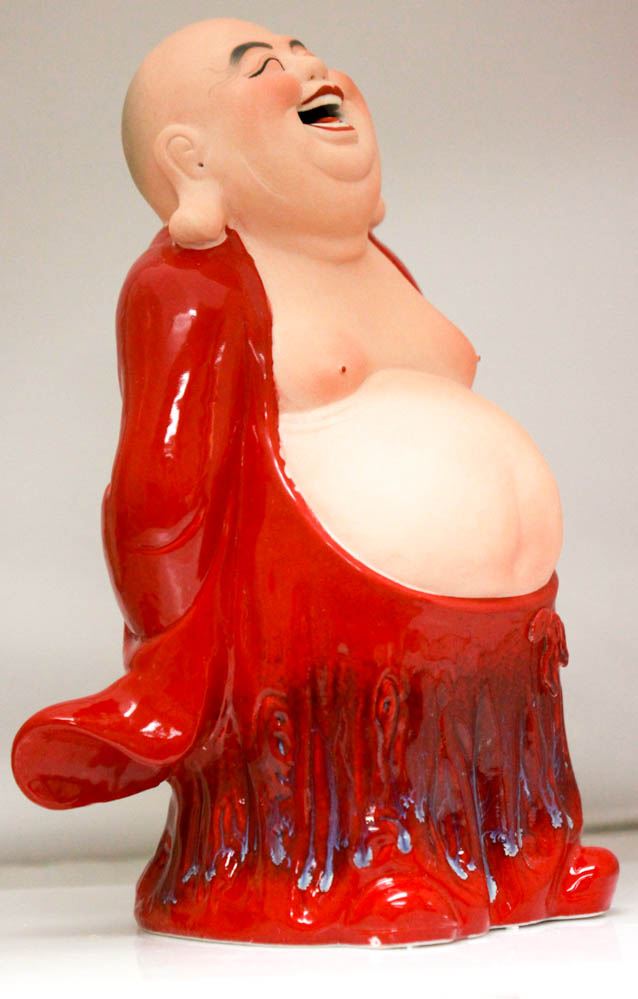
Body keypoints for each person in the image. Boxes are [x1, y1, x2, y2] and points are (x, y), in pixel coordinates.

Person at [12, 18, 618, 945]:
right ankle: (353, 865)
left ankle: (517, 849)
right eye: (264, 67)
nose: (310, 69)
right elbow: (159, 483)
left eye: (305, 53)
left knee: (485, 745)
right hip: (314, 630)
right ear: (191, 158)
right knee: (347, 751)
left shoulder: (382, 264)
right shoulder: (192, 283)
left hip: (493, 639)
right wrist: (165, 648)